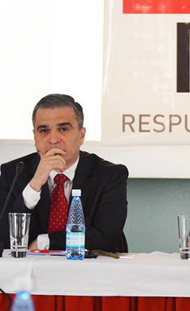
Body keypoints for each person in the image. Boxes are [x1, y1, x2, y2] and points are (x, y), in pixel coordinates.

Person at [0, 94, 128, 252]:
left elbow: (106, 237)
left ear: (81, 135)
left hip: (90, 273)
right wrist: (34, 185)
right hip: (30, 274)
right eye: (44, 130)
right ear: (35, 136)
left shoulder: (109, 175)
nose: (53, 139)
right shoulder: (13, 172)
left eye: (63, 129)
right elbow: (4, 238)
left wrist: (45, 242)